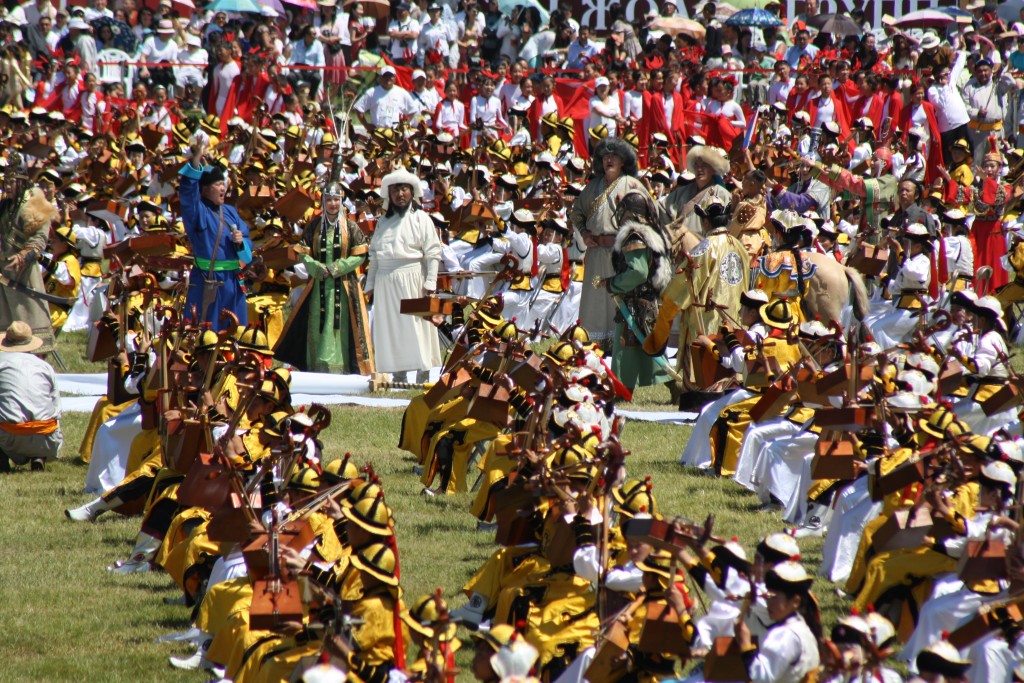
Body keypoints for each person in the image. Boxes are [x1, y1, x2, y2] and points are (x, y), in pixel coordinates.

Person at [278, 182, 373, 375]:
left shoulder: (351, 227)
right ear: (322, 201)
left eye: (336, 199)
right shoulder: (314, 226)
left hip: (345, 286)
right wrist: (316, 267)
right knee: (318, 324)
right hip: (318, 284)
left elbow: (361, 254)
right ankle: (317, 367)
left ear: (341, 201)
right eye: (328, 199)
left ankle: (343, 368)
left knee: (342, 328)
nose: (332, 204)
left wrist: (338, 267)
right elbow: (302, 251)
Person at [569, 137, 648, 351]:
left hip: (622, 253)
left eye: (614, 156)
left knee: (618, 297)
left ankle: (620, 343)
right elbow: (576, 212)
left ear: (624, 161)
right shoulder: (593, 186)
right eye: (605, 156)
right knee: (595, 298)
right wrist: (584, 233)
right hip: (595, 253)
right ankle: (592, 343)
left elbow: (646, 215)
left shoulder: (632, 185)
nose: (609, 160)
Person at [365, 169, 442, 381]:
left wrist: (430, 281)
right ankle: (398, 373)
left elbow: (433, 252)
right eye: (396, 189)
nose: (400, 194)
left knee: (416, 327)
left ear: (412, 192)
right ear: (389, 193)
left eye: (404, 189)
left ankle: (423, 371)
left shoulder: (421, 218)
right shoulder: (382, 222)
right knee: (392, 328)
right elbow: (375, 257)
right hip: (385, 280)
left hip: (413, 278)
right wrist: (369, 285)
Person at [592, 189, 672, 392]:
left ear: (631, 213)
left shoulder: (633, 236)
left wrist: (612, 283)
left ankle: (620, 389)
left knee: (624, 349)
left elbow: (637, 272)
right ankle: (669, 387)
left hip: (635, 303)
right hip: (644, 301)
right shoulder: (649, 233)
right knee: (645, 349)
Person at [178, 136, 253, 329]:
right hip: (207, 280)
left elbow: (247, 246)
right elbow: (187, 191)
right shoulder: (197, 211)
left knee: (234, 331)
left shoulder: (230, 211)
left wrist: (240, 243)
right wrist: (196, 159)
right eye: (218, 185)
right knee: (205, 332)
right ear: (203, 190)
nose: (223, 188)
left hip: (232, 282)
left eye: (223, 184)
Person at [0, 180, 57, 353]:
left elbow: (39, 240)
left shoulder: (35, 204)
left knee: (31, 319)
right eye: (5, 182)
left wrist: (23, 256)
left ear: (21, 183)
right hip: (2, 272)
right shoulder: (4, 205)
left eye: (12, 182)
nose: (7, 186)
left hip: (23, 272)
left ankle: (35, 354)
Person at [0, 320, 62, 472]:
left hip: (9, 436)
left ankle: (2, 461)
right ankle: (38, 456)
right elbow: (56, 406)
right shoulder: (45, 367)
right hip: (47, 437)